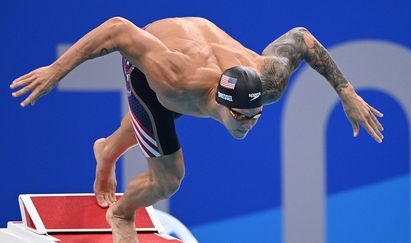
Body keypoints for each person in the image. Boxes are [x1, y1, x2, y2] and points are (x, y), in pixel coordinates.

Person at [10, 17, 384, 243]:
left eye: (256, 116)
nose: (249, 125)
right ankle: (122, 213)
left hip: (199, 54)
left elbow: (301, 37)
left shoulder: (269, 79)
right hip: (153, 69)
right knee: (170, 176)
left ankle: (107, 151)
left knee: (159, 126)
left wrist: (346, 92)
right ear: (220, 103)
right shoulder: (175, 77)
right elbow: (118, 29)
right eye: (241, 117)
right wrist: (54, 71)